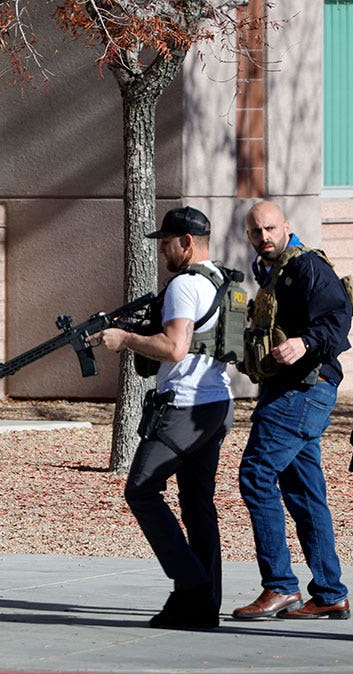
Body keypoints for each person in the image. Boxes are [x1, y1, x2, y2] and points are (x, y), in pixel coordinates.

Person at [91, 207, 235, 629]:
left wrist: (125, 339)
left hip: (185, 407)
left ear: (187, 243)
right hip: (217, 404)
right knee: (196, 504)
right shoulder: (222, 280)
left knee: (141, 489)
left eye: (167, 242)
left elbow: (174, 347)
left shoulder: (185, 285)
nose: (163, 250)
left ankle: (191, 585)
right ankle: (204, 605)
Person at [232, 200, 352, 621]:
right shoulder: (271, 270)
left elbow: (338, 319)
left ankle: (280, 587)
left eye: (269, 229)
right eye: (255, 232)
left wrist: (304, 342)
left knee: (256, 474)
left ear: (286, 226)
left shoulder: (306, 267)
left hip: (303, 390)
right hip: (289, 389)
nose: (263, 237)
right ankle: (330, 593)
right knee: (303, 490)